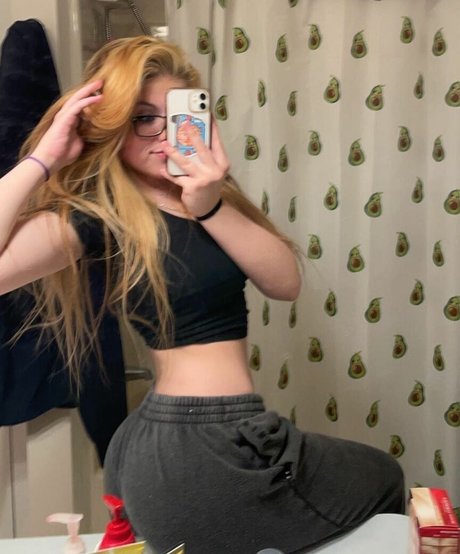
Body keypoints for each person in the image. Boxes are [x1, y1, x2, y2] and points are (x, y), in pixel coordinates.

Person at [0, 36, 405, 554]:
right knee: (384, 479)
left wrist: (211, 203)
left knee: (381, 476)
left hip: (227, 432)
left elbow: (285, 283)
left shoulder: (211, 198)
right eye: (142, 118)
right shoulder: (97, 216)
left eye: (176, 116)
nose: (162, 133)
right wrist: (44, 159)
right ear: (112, 124)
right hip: (193, 448)